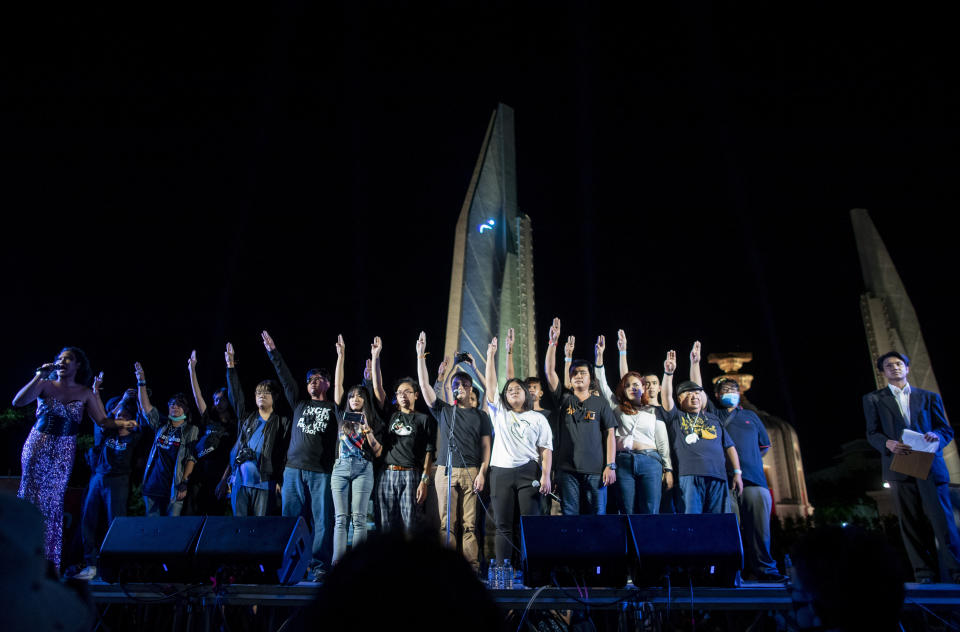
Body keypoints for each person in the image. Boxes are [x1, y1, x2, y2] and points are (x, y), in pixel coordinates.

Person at [12, 347, 135, 569]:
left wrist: (122, 423)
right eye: (59, 358)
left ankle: (47, 562)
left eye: (67, 358)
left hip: (63, 450)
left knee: (53, 502)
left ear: (78, 365)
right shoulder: (44, 384)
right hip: (38, 445)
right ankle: (22, 556)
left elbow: (103, 421)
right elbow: (18, 402)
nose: (62, 361)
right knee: (31, 496)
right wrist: (39, 375)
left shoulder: (85, 392)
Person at [864, 350, 960, 583]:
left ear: (907, 368)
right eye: (888, 365)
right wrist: (887, 443)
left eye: (898, 364)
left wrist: (935, 437)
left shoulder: (929, 397)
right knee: (910, 521)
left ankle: (955, 570)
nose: (894, 368)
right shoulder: (873, 399)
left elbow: (945, 430)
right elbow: (872, 432)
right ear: (883, 372)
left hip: (928, 463)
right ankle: (923, 572)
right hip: (898, 465)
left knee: (942, 520)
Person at [261, 331, 338, 581]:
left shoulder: (334, 407)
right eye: (310, 379)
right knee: (290, 521)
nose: (314, 381)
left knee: (322, 522)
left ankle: (319, 567)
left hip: (320, 472)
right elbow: (284, 378)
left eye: (319, 378)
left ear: (328, 384)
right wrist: (274, 353)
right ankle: (289, 566)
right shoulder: (300, 404)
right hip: (293, 469)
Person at [416, 331, 492, 574]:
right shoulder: (445, 411)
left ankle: (471, 566)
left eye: (464, 385)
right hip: (446, 470)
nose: (460, 388)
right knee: (446, 522)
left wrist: (482, 472)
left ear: (471, 389)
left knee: (470, 524)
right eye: (456, 385)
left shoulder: (480, 415)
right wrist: (420, 357)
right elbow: (425, 387)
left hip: (471, 470)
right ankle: (447, 567)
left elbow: (486, 448)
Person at [484, 335, 553, 566]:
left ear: (527, 394)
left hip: (528, 472)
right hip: (501, 472)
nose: (513, 391)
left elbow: (545, 450)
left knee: (528, 523)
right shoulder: (500, 413)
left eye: (518, 389)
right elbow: (491, 385)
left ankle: (531, 570)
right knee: (503, 525)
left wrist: (545, 475)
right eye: (510, 389)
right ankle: (504, 572)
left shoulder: (538, 418)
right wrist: (491, 355)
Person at [542, 318, 618, 515]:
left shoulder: (600, 402)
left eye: (582, 373)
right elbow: (550, 372)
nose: (578, 376)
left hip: (596, 470)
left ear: (590, 378)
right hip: (567, 470)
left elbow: (610, 434)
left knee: (598, 517)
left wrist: (611, 465)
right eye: (574, 373)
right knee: (570, 516)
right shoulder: (564, 399)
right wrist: (553, 343)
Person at [593, 335, 672, 514]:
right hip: (623, 461)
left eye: (636, 384)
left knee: (650, 510)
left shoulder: (653, 410)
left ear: (643, 388)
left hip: (650, 461)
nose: (632, 387)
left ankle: (649, 542)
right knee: (626, 510)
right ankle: (629, 542)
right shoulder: (617, 407)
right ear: (624, 389)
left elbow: (662, 442)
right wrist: (599, 357)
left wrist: (668, 469)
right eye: (628, 385)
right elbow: (601, 384)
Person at [661, 350, 743, 514]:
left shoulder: (713, 419)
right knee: (693, 522)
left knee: (718, 522)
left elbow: (729, 446)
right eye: (688, 393)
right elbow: (667, 397)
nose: (694, 396)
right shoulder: (676, 417)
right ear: (680, 399)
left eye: (697, 393)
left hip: (718, 476)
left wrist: (737, 473)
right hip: (689, 476)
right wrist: (668, 373)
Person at [217, 342, 291, 518]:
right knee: (239, 528)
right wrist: (230, 367)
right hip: (240, 483)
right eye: (258, 392)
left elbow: (284, 454)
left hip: (264, 484)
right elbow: (236, 396)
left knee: (259, 529)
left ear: (275, 397)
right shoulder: (246, 418)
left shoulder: (282, 422)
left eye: (266, 393)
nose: (261, 395)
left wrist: (280, 480)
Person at [76, 388, 143, 581]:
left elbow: (141, 419)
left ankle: (115, 567)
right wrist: (121, 400)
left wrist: (134, 400)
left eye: (124, 416)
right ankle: (90, 564)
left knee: (116, 523)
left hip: (119, 481)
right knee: (88, 520)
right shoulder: (107, 434)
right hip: (98, 478)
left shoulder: (134, 436)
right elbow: (103, 419)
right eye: (118, 416)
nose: (120, 418)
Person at [330, 335, 384, 563]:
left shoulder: (371, 417)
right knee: (341, 518)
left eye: (359, 396)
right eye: (352, 396)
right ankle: (337, 564)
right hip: (340, 468)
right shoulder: (341, 414)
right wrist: (341, 356)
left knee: (359, 518)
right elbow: (338, 385)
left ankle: (359, 566)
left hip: (364, 467)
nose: (355, 398)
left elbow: (378, 451)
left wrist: (367, 429)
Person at [374, 337, 436, 535]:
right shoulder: (391, 413)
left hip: (411, 474)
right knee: (385, 525)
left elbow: (429, 452)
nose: (402, 395)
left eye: (407, 392)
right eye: (399, 392)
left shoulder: (423, 419)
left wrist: (424, 481)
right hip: (387, 472)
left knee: (410, 525)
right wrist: (376, 357)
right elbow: (378, 389)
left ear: (416, 395)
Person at [135, 363, 199, 517]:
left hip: (174, 487)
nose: (174, 407)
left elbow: (191, 458)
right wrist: (141, 381)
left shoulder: (191, 429)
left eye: (178, 405)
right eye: (171, 405)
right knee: (151, 529)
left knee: (170, 531)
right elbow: (146, 408)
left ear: (185, 409)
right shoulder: (161, 425)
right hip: (153, 486)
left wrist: (184, 482)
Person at [187, 349, 236, 516]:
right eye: (215, 399)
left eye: (222, 398)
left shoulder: (234, 426)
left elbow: (233, 456)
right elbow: (197, 395)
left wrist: (224, 481)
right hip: (200, 475)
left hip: (220, 477)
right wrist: (192, 369)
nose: (218, 402)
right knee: (195, 515)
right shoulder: (209, 419)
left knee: (216, 518)